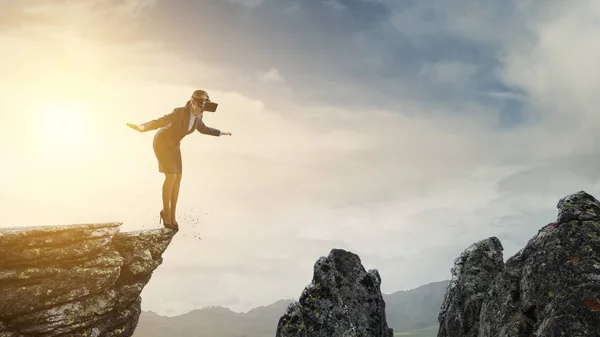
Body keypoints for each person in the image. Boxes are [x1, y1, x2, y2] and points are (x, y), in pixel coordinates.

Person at [127, 89, 232, 230]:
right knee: (170, 176)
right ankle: (166, 214)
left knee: (178, 177)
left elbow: (203, 129)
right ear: (193, 102)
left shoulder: (198, 117)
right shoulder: (179, 112)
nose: (204, 107)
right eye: (202, 103)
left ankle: (172, 215)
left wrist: (221, 133)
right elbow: (161, 121)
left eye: (206, 103)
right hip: (162, 143)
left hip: (175, 146)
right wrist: (142, 127)